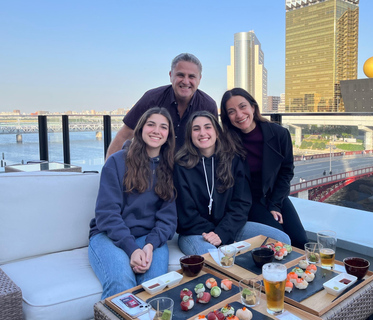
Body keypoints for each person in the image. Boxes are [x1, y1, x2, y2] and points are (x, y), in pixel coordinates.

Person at [89, 107, 177, 299]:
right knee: (121, 285)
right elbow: (107, 214)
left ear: (168, 135)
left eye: (163, 127)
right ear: (141, 128)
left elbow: (168, 218)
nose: (156, 131)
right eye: (151, 124)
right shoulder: (116, 162)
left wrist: (150, 245)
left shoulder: (169, 168)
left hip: (149, 238)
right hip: (109, 236)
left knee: (155, 289)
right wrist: (132, 249)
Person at [174, 111, 290, 255]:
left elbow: (241, 203)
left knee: (281, 239)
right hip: (195, 232)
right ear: (190, 135)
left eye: (208, 127)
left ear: (217, 131)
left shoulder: (233, 160)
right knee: (212, 256)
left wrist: (222, 233)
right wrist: (215, 234)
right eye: (196, 129)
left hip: (229, 227)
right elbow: (186, 213)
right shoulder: (181, 166)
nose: (202, 133)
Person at [220, 88, 308, 249]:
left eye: (243, 107)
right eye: (231, 111)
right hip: (248, 200)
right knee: (279, 241)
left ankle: (300, 274)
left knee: (300, 240)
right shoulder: (226, 142)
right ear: (227, 117)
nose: (239, 115)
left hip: (274, 195)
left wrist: (275, 204)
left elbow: (286, 171)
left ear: (253, 107)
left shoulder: (279, 133)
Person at [106, 53, 217, 158]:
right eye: (180, 75)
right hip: (151, 167)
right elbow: (125, 134)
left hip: (190, 170)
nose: (186, 81)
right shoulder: (151, 98)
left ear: (199, 79)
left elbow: (212, 145)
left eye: (191, 76)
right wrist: (108, 170)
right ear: (170, 75)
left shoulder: (208, 106)